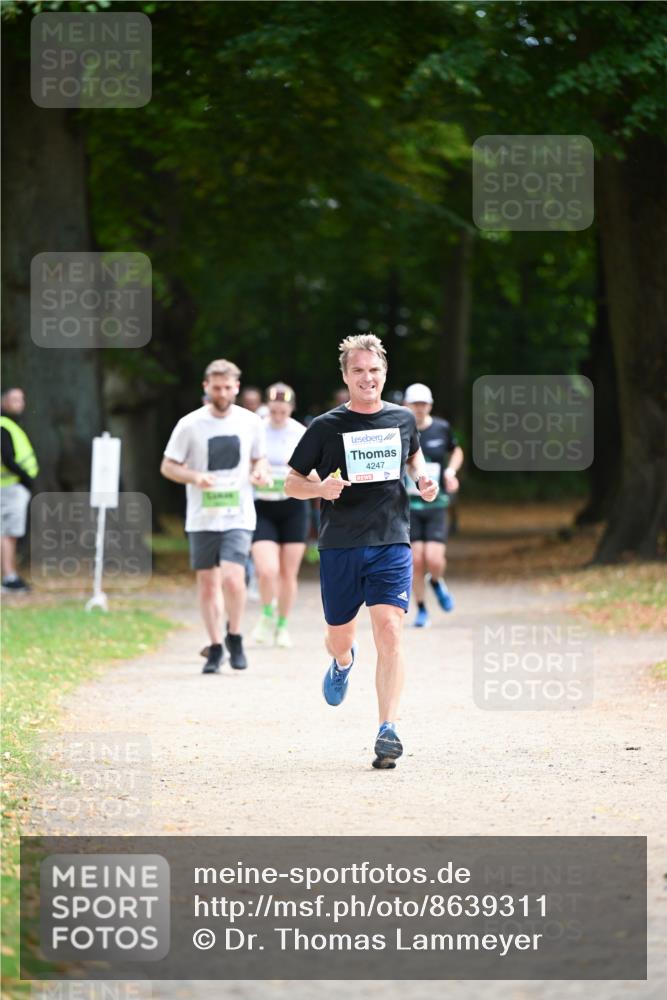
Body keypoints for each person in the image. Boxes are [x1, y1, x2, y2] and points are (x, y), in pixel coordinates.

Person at [285, 334, 438, 769]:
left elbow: (413, 461)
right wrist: (319, 487)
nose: (367, 377)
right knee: (341, 636)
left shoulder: (403, 419)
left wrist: (422, 481)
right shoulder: (325, 427)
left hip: (391, 539)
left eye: (373, 370)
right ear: (346, 375)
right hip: (340, 544)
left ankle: (387, 729)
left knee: (390, 629)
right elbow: (291, 482)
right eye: (358, 371)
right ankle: (342, 661)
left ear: (384, 373)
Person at [160, 360, 272, 674]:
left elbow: (259, 457)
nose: (222, 393)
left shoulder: (251, 422)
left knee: (234, 580)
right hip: (202, 516)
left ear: (236, 387)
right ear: (205, 387)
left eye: (227, 388)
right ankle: (215, 646)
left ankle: (234, 635)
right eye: (216, 387)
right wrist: (195, 477)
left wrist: (260, 471)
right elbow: (168, 466)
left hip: (237, 513)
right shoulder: (190, 424)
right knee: (208, 585)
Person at [251, 383, 309, 648]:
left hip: (293, 507)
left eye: (283, 411)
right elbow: (245, 463)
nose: (278, 415)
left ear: (291, 408)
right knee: (267, 570)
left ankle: (283, 624)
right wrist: (256, 474)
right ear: (268, 407)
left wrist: (296, 469)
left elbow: (316, 471)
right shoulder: (256, 429)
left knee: (288, 573)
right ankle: (266, 613)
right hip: (262, 506)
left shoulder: (300, 432)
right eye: (274, 410)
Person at [403, 383, 463, 627]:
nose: (419, 408)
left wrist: (450, 471)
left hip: (436, 503)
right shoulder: (399, 428)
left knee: (434, 559)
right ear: (407, 405)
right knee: (416, 560)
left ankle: (437, 581)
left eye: (423, 404)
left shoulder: (441, 427)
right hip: (409, 504)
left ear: (430, 405)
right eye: (415, 404)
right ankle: (421, 609)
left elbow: (456, 450)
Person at [1, 387, 38, 593]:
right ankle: (9, 577)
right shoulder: (4, 425)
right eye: (14, 399)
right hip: (10, 488)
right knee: (8, 533)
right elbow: (7, 457)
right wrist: (25, 478)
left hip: (10, 487)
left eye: (21, 399)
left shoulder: (11, 425)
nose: (20, 403)